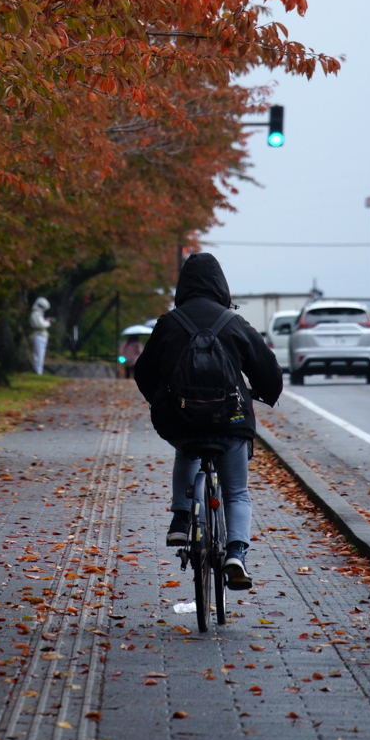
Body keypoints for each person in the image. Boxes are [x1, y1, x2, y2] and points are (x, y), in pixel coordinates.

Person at [133, 253, 282, 590]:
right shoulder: (234, 323)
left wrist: (161, 399)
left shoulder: (169, 323)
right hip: (231, 422)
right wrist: (265, 393)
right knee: (237, 493)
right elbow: (268, 370)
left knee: (185, 451)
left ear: (183, 286)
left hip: (182, 421)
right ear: (220, 285)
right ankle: (235, 553)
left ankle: (181, 518)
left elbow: (143, 372)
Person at [29, 296, 52, 374]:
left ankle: (39, 371)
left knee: (41, 356)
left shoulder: (39, 314)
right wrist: (47, 322)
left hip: (42, 336)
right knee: (38, 355)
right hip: (38, 336)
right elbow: (41, 324)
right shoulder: (35, 314)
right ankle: (37, 371)